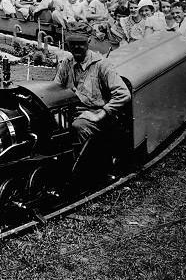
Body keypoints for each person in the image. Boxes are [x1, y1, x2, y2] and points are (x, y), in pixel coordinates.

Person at [54, 34, 131, 185]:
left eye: (81, 43)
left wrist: (101, 114)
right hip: (71, 111)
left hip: (97, 113)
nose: (76, 47)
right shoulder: (66, 63)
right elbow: (55, 89)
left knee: (79, 126)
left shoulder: (102, 64)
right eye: (72, 43)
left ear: (88, 42)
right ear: (67, 43)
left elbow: (123, 94)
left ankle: (90, 174)